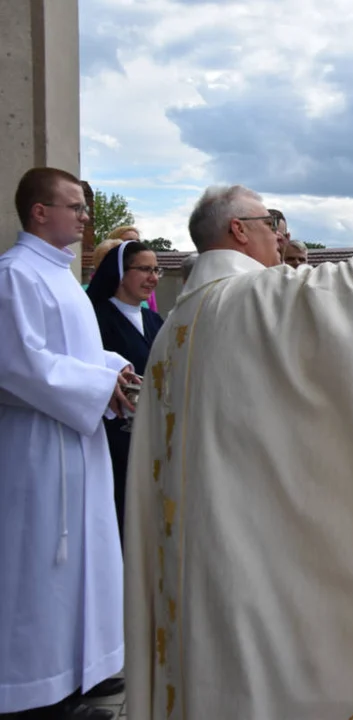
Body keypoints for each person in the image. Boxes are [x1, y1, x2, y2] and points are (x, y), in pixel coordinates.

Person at [124, 184, 353, 720]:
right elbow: (343, 296)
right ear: (238, 229)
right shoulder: (244, 300)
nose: (282, 234)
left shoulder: (178, 322)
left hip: (191, 537)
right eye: (270, 220)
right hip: (242, 542)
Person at [1, 167, 134, 720]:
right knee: (39, 568)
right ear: (39, 212)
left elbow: (75, 352)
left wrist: (114, 368)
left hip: (77, 442)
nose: (85, 218)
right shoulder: (15, 275)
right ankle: (33, 688)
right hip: (37, 448)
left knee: (84, 559)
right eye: (75, 207)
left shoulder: (60, 275)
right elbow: (18, 364)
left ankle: (80, 671)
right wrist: (100, 383)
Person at [86, 241, 166, 548]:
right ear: (120, 273)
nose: (153, 278)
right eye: (144, 269)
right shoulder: (97, 318)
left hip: (151, 435)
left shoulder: (156, 321)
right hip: (112, 439)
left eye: (155, 270)